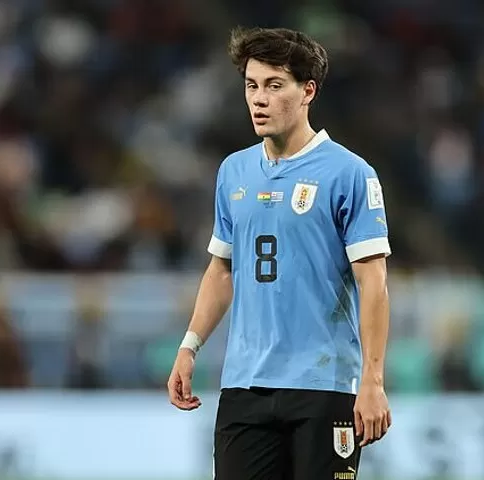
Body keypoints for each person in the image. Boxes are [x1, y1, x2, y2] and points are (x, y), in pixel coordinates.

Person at [168, 26, 392, 480]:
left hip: (323, 384)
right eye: (252, 86)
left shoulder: (350, 173)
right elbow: (222, 270)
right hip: (245, 386)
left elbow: (373, 281)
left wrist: (372, 380)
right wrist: (190, 346)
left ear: (308, 91)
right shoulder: (234, 171)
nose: (259, 99)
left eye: (274, 86)